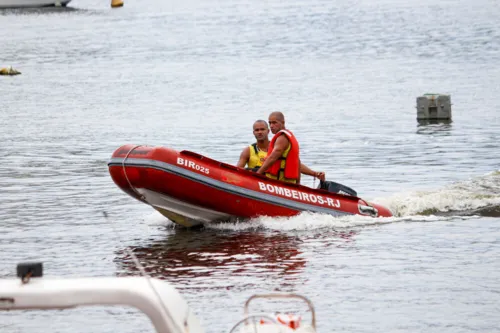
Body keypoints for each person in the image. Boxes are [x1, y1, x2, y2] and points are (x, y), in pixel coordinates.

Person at [255, 112, 325, 184]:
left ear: (283, 122)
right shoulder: (289, 137)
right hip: (287, 183)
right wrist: (314, 173)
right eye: (270, 123)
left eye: (274, 123)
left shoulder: (282, 138)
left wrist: (257, 175)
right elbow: (296, 163)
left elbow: (272, 158)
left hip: (279, 183)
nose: (271, 126)